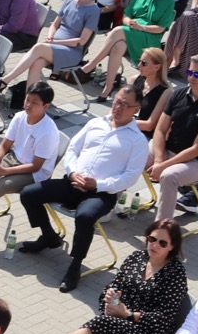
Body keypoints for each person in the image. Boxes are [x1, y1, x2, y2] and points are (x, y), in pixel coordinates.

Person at [18, 84, 148, 294]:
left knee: (85, 216)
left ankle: (75, 265)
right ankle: (49, 236)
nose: (118, 107)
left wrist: (98, 184)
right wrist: (72, 173)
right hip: (73, 182)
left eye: (125, 105)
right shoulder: (95, 123)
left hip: (101, 194)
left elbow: (130, 177)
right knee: (29, 194)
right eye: (116, 101)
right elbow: (73, 149)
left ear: (136, 109)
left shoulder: (137, 140)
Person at [69, 222, 190, 334]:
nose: (154, 245)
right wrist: (111, 300)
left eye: (163, 243)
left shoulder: (176, 273)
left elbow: (165, 319)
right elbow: (114, 286)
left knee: (98, 326)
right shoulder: (136, 257)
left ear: (172, 246)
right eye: (152, 239)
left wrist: (128, 314)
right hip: (119, 323)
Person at [147, 55, 198, 224]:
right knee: (135, 153)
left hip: (196, 162)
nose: (191, 77)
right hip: (169, 152)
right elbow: (160, 129)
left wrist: (163, 166)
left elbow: (196, 149)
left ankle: (162, 227)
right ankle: (108, 203)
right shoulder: (179, 94)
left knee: (169, 176)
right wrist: (159, 160)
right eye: (190, 72)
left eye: (197, 74)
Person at [0, 81, 61, 218]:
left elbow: (36, 166)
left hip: (34, 173)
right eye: (27, 99)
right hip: (14, 158)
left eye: (34, 103)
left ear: (45, 106)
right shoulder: (19, 117)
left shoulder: (48, 132)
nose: (28, 105)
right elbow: (4, 145)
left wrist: (5, 171)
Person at [0, 0, 98, 92]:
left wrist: (54, 42)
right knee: (37, 63)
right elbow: (54, 24)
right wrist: (50, 36)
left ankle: (5, 80)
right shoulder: (69, 0)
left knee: (38, 47)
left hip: (71, 53)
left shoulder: (93, 11)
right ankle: (29, 97)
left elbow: (81, 41)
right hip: (53, 46)